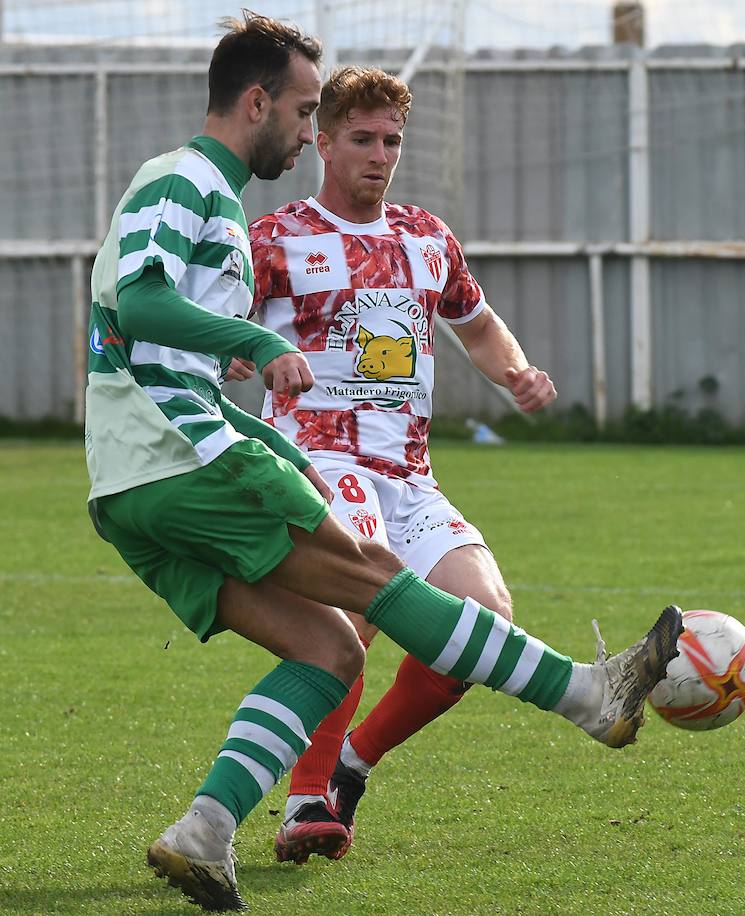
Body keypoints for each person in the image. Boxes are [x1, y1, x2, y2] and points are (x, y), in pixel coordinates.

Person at [84, 12, 683, 913]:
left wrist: (229, 350)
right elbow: (137, 303)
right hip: (186, 455)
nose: (310, 127)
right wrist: (250, 337)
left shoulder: (342, 222)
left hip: (138, 482)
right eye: (307, 110)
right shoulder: (192, 183)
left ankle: (205, 831)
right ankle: (587, 696)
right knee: (371, 585)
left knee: (326, 648)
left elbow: (164, 320)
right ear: (262, 104)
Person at [241, 64, 565, 865]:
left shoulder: (425, 237)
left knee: (484, 625)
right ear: (322, 141)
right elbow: (218, 325)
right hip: (315, 460)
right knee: (351, 606)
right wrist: (244, 356)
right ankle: (304, 799)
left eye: (391, 140)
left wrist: (514, 370)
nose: (380, 154)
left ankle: (354, 762)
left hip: (409, 475)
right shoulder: (276, 239)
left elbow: (481, 327)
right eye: (362, 138)